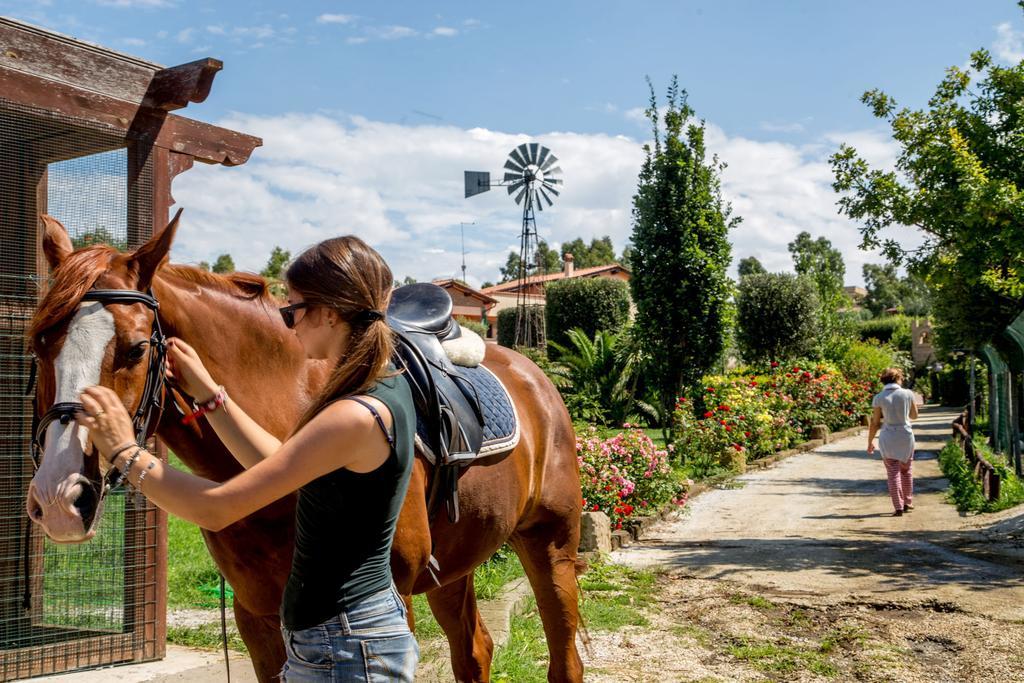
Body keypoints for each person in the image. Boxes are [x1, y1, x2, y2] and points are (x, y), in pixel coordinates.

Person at [75, 236, 419, 682]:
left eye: (292, 309)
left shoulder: (351, 416)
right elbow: (280, 461)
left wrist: (125, 452)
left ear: (329, 314)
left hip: (344, 647)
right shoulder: (377, 388)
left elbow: (217, 509)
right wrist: (209, 394)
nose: (287, 323)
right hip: (348, 637)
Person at [866, 367, 919, 517]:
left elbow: (875, 423)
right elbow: (914, 416)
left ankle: (898, 506)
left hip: (887, 436)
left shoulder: (879, 397)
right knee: (906, 470)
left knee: (892, 472)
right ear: (898, 379)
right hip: (905, 435)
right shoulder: (908, 394)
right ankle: (908, 502)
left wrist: (870, 442)